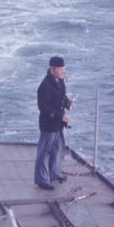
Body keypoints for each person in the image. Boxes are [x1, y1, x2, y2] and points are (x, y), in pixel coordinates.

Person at [34, 56, 74, 191]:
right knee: (44, 152)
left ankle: (54, 173)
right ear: (52, 70)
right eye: (60, 70)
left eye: (64, 70)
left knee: (57, 148)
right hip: (49, 124)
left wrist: (67, 103)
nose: (63, 72)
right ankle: (42, 179)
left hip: (58, 124)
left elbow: (61, 97)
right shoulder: (45, 86)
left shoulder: (60, 80)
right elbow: (44, 108)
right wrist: (61, 117)